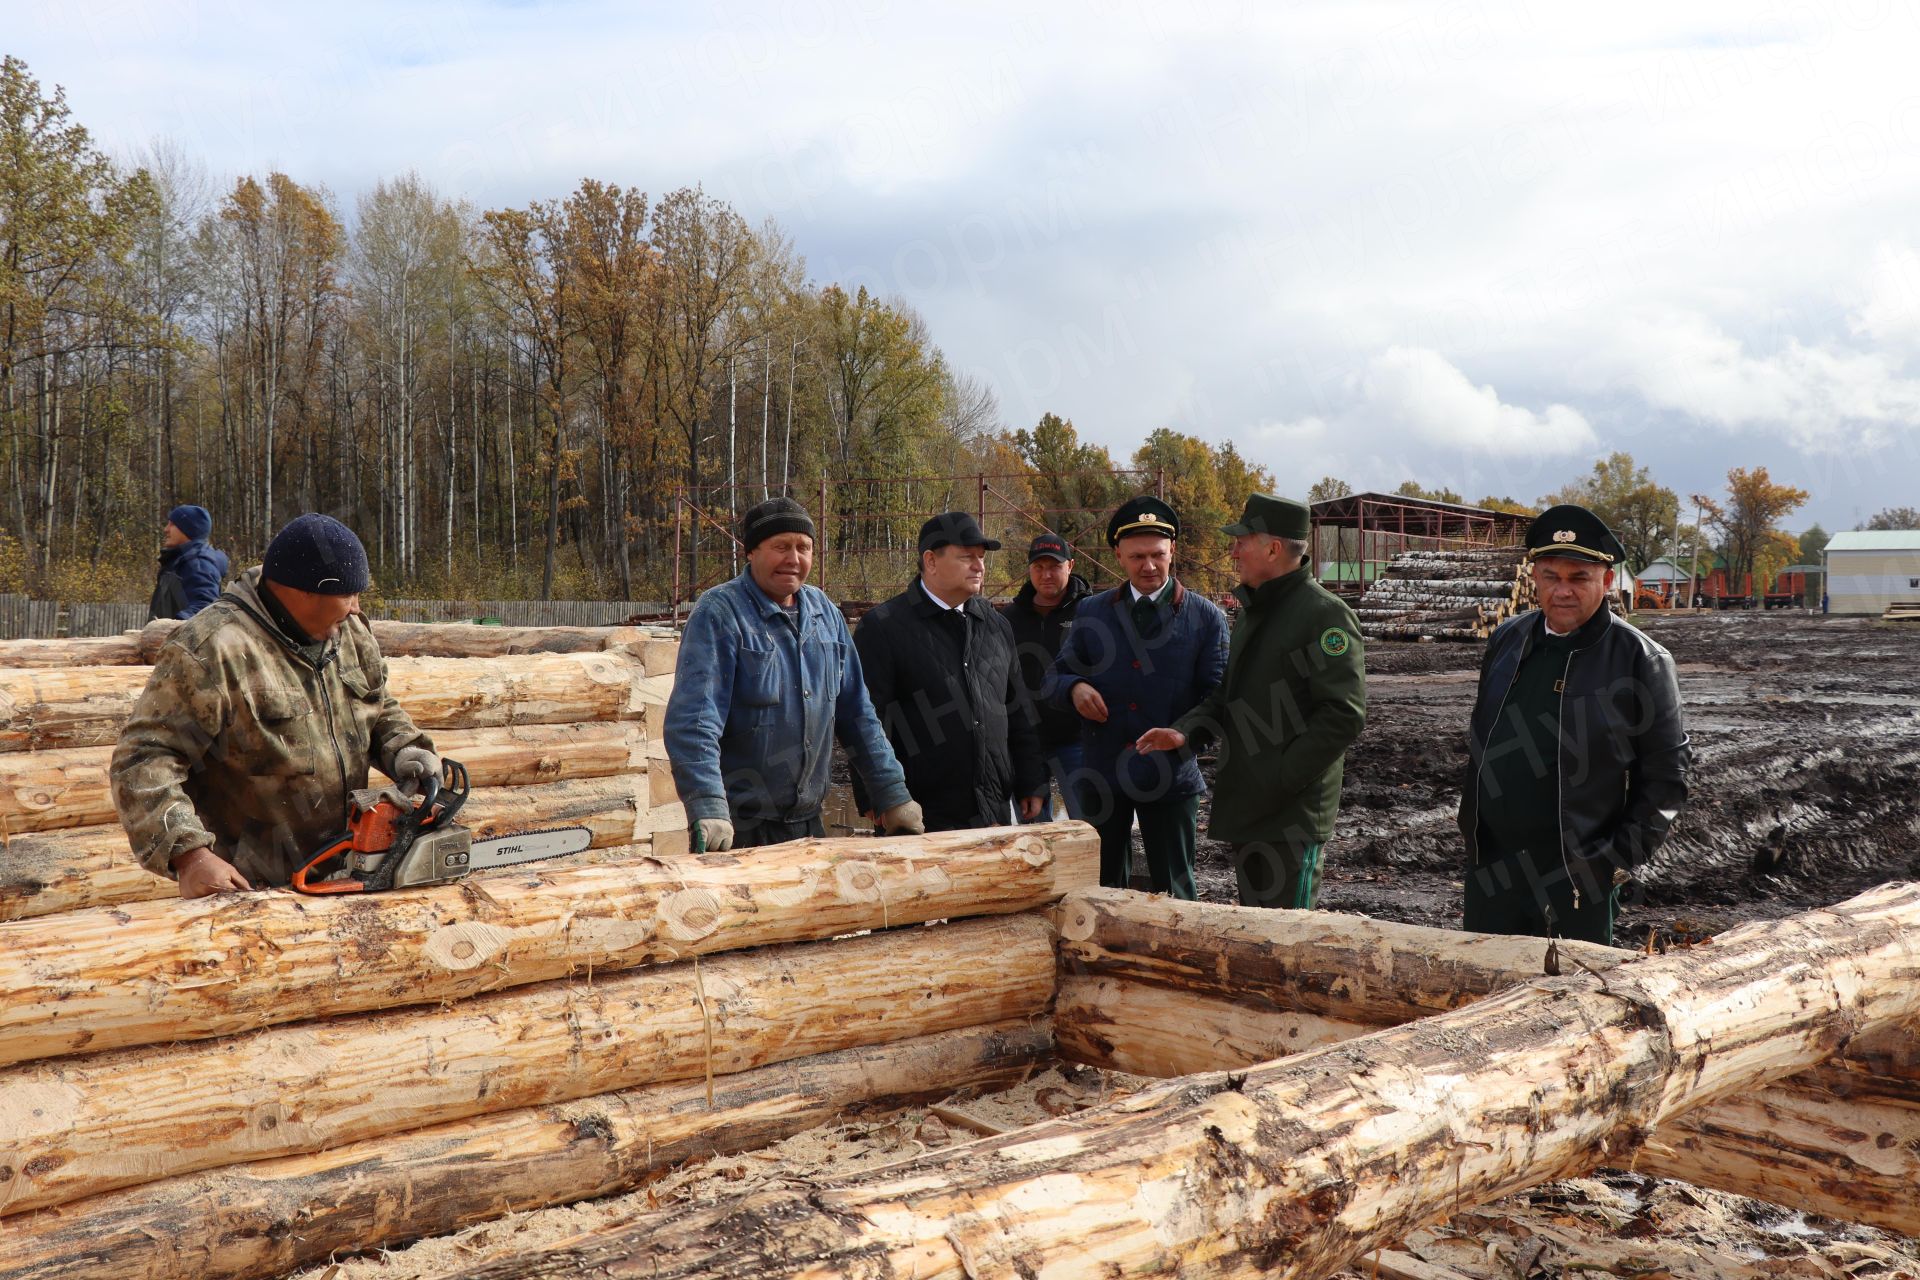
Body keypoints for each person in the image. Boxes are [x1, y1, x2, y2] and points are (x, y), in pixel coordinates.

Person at [111, 513, 439, 898]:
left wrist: (404, 747)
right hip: (252, 886)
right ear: (303, 591)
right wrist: (189, 853)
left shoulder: (348, 633)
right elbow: (144, 758)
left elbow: (376, 704)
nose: (355, 607)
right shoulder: (213, 649)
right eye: (347, 594)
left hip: (347, 869)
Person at [1454, 503, 1691, 945]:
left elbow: (1666, 778)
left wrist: (1611, 863)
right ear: (1534, 577)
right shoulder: (1509, 639)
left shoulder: (1641, 660)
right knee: (1482, 997)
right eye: (1551, 577)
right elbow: (1482, 741)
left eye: (1578, 578)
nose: (1562, 591)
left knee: (1572, 1002)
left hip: (1576, 878)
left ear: (1605, 580)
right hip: (1494, 871)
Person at [1138, 494, 1366, 909]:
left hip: (1291, 816)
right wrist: (1184, 732)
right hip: (1253, 808)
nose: (1234, 549)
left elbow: (1343, 715)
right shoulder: (1254, 609)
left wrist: (1280, 777)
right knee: (1258, 936)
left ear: (1274, 549)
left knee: (1289, 942)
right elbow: (1229, 695)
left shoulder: (1324, 615)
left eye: (1243, 539)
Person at [664, 497, 923, 850]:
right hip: (738, 829)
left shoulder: (826, 616)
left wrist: (892, 793)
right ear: (751, 552)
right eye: (780, 546)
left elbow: (858, 714)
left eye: (804, 547)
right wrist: (707, 805)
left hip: (808, 825)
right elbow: (694, 722)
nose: (794, 559)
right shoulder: (721, 614)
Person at [1044, 496, 1228, 897]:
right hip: (1103, 774)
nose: (1148, 566)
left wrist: (1183, 735)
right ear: (1118, 555)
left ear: (1172, 551)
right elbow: (1054, 676)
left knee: (1176, 891)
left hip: (1170, 777)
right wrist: (1073, 688)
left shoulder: (1205, 617)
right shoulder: (1093, 612)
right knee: (1100, 891)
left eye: (1158, 555)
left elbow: (1219, 697)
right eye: (1137, 556)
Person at [853, 511, 1046, 832]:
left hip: (991, 808)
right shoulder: (883, 628)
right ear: (931, 561)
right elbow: (866, 720)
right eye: (967, 557)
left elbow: (1018, 709)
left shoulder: (996, 625)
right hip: (918, 813)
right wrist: (877, 796)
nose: (979, 566)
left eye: (981, 558)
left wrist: (1032, 779)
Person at [999, 532, 1093, 821]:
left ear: (1070, 565)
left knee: (1089, 827)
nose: (1046, 574)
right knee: (1033, 836)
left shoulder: (1090, 612)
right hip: (1027, 743)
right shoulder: (1009, 619)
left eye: (1054, 566)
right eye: (1039, 567)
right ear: (1029, 569)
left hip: (1078, 739)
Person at [148, 503, 229, 621]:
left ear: (188, 530)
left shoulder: (198, 564)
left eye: (172, 525)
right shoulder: (181, 561)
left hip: (176, 638)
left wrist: (172, 626)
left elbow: (205, 607)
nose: (166, 529)